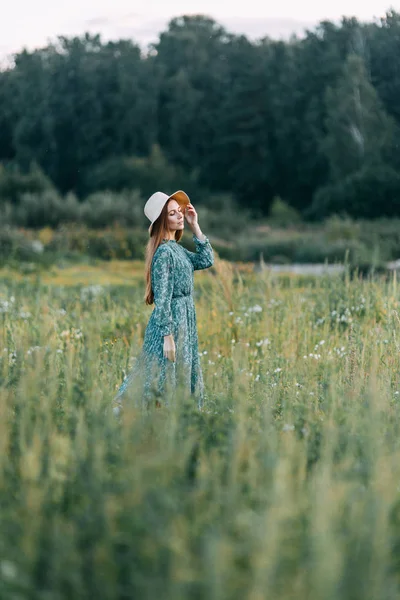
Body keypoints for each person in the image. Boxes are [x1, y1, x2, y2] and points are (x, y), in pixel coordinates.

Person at [113, 190, 214, 415]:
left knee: (177, 375)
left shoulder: (178, 250)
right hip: (170, 326)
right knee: (156, 376)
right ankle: (134, 421)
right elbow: (163, 299)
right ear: (162, 222)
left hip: (185, 321)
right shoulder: (164, 254)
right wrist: (167, 337)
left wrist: (195, 225)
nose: (179, 216)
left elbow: (207, 260)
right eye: (172, 214)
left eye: (179, 212)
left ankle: (176, 423)